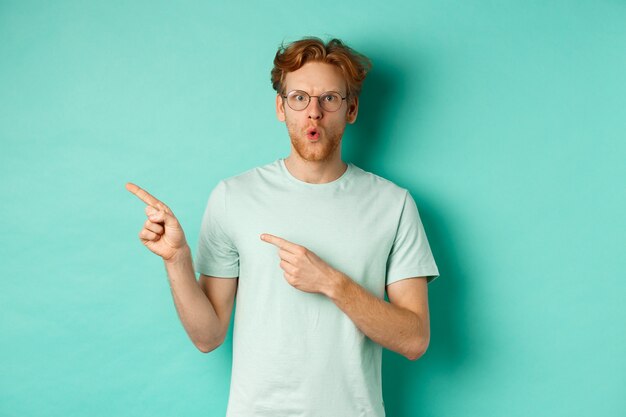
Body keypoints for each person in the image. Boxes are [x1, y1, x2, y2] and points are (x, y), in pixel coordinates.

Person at [126, 36, 439, 417]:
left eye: (329, 98)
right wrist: (177, 259)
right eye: (299, 98)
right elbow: (208, 337)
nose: (314, 112)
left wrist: (330, 282)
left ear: (351, 108)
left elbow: (414, 339)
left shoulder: (394, 204)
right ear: (281, 107)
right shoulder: (233, 197)